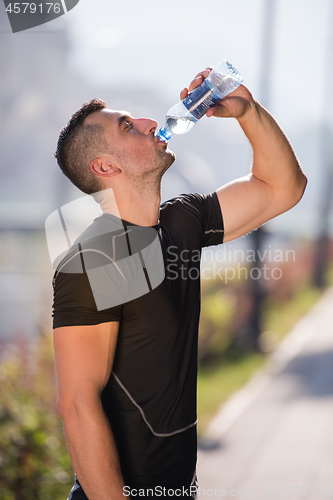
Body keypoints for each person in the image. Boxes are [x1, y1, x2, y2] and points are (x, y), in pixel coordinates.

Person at [52, 67, 307, 500]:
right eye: (127, 126)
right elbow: (77, 405)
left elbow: (284, 187)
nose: (152, 122)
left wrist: (247, 110)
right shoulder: (94, 261)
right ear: (105, 166)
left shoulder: (182, 221)